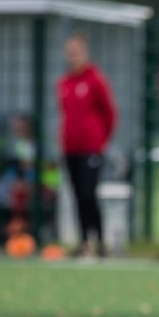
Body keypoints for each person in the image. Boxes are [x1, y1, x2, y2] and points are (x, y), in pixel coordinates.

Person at [57, 34, 118, 258]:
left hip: (91, 149)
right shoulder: (63, 83)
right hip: (70, 149)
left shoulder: (95, 79)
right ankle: (84, 242)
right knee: (76, 195)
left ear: (85, 53)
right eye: (69, 52)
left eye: (77, 52)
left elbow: (110, 113)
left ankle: (100, 241)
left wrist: (102, 141)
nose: (73, 57)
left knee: (88, 194)